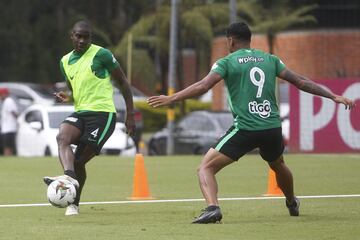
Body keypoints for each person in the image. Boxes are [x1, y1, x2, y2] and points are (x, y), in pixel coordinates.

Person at [147, 22, 355, 224]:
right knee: (278, 164)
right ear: (249, 39)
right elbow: (301, 81)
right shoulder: (270, 59)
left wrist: (171, 99)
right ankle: (291, 202)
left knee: (205, 168)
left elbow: (203, 86)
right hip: (272, 127)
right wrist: (332, 96)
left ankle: (213, 208)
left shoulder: (226, 62)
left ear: (230, 41)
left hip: (246, 128)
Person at [43, 20, 135, 216]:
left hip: (103, 115)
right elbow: (74, 90)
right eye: (78, 36)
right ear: (72, 36)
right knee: (62, 137)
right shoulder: (65, 61)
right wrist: (68, 97)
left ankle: (73, 204)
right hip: (81, 112)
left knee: (78, 162)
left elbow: (124, 83)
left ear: (90, 38)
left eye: (86, 36)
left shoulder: (102, 55)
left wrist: (130, 114)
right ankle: (69, 178)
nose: (82, 40)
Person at [0, 88, 19, 156]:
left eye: (1, 95)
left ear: (4, 94)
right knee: (8, 147)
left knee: (7, 147)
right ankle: (9, 158)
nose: (0, 97)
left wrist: (18, 120)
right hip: (7, 129)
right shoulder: (6, 101)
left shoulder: (9, 101)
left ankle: (8, 158)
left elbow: (13, 112)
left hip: (9, 128)